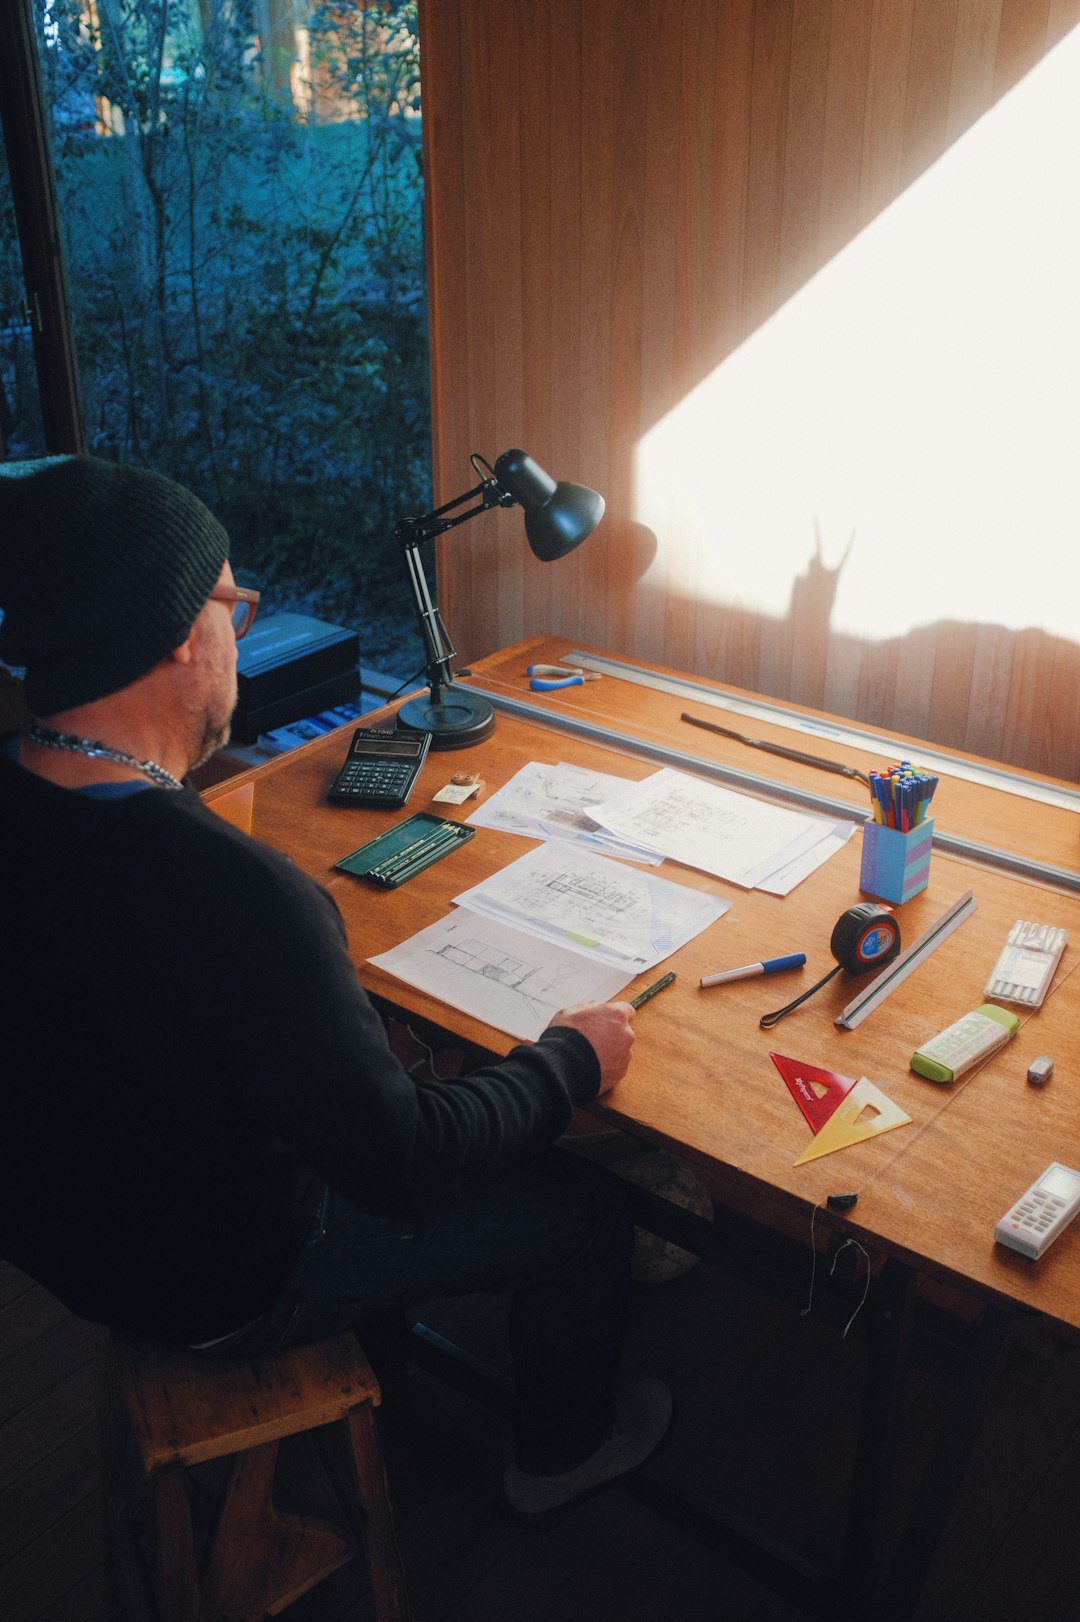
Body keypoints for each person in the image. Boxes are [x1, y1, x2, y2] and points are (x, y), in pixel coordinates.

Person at [0, 454, 671, 1517]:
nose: (242, 622)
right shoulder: (240, 897)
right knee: (589, 1211)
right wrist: (568, 1062)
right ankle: (561, 1455)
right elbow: (401, 1158)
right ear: (181, 632)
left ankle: (394, 1347)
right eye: (233, 597)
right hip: (219, 1279)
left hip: (72, 1236)